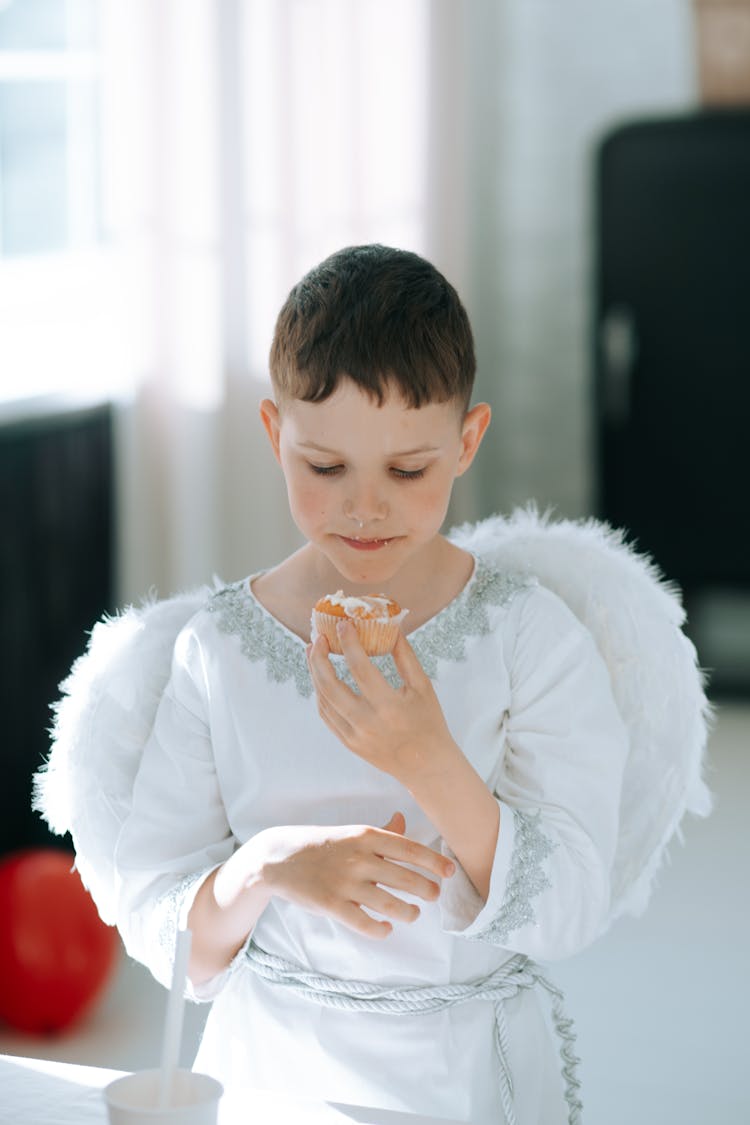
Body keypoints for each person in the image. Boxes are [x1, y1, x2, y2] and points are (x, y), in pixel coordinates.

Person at [112, 245, 639, 1124]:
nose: (365, 508)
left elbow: (573, 903)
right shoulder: (217, 648)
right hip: (269, 1067)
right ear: (276, 435)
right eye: (325, 469)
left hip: (462, 1074)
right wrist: (268, 864)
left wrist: (427, 757)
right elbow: (159, 916)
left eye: (407, 470)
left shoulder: (529, 635)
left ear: (467, 441)